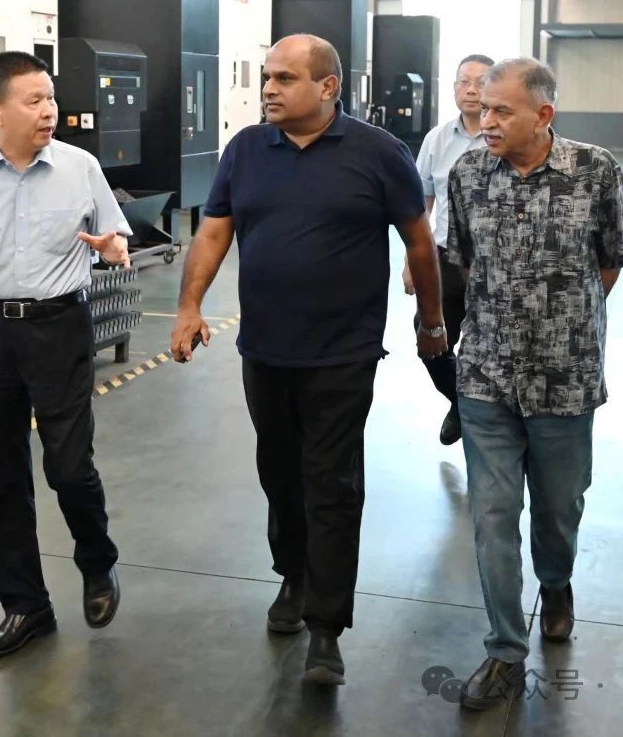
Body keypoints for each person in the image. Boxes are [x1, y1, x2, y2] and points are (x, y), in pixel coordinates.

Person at [169, 34, 448, 685]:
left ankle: (326, 626)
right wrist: (188, 306)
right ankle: (292, 574)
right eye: (267, 77)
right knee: (280, 473)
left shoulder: (378, 152)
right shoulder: (246, 150)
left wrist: (431, 319)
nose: (269, 88)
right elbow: (214, 230)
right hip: (266, 348)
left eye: (285, 78)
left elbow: (418, 241)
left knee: (332, 481)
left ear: (328, 87)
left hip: (343, 352)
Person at [0, 51, 132, 660]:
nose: (49, 111)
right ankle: (25, 606)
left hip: (61, 326)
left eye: (51, 98)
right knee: (4, 476)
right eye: (34, 100)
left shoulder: (80, 167)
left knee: (68, 467)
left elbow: (116, 234)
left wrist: (113, 247)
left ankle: (97, 562)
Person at [446, 58, 623, 710]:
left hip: (565, 380)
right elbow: (464, 261)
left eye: (502, 110)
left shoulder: (596, 171)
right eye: (483, 108)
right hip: (486, 377)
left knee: (558, 508)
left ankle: (555, 581)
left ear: (543, 115)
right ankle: (504, 651)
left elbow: (608, 264)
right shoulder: (468, 174)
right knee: (492, 516)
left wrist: (560, 322)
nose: (486, 120)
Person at [402, 54, 493, 445]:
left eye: (480, 82)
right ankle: (461, 403)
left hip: (494, 262)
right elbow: (420, 205)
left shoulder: (503, 136)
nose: (470, 90)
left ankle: (486, 416)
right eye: (463, 82)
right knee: (430, 339)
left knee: (490, 346)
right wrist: (411, 261)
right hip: (444, 258)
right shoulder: (436, 140)